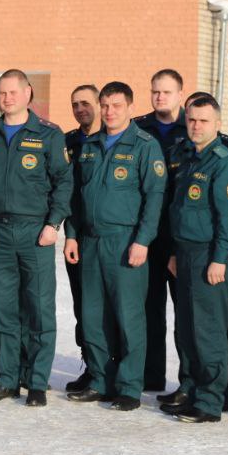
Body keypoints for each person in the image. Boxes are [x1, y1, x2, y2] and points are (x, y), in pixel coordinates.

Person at [0, 69, 70, 407]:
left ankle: (37, 381)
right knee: (5, 310)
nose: (7, 98)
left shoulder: (48, 135)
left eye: (14, 92)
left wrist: (53, 223)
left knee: (39, 309)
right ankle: (9, 379)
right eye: (2, 93)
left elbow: (63, 182)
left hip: (35, 232)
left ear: (28, 94)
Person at [63, 81, 165, 411]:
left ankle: (129, 386)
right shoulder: (89, 145)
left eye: (116, 105)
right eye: (105, 105)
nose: (109, 111)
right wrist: (72, 234)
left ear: (130, 108)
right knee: (92, 315)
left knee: (128, 316)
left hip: (125, 242)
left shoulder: (144, 145)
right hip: (91, 241)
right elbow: (75, 197)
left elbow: (154, 198)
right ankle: (99, 379)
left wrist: (142, 241)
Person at [156, 95, 228, 423]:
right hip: (185, 253)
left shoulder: (224, 162)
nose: (196, 126)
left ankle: (210, 400)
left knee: (208, 329)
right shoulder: (190, 157)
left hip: (210, 254)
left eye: (204, 121)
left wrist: (220, 259)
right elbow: (178, 210)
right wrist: (173, 252)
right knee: (187, 327)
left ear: (217, 124)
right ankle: (191, 387)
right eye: (192, 119)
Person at [135, 68, 187, 394]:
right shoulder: (140, 128)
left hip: (181, 234)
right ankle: (151, 376)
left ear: (180, 94)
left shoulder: (193, 126)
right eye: (155, 91)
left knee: (186, 315)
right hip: (148, 234)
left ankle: (188, 383)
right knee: (149, 309)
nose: (160, 97)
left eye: (166, 92)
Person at [62, 84, 102, 392]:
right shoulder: (69, 142)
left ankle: (113, 369)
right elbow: (67, 194)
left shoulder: (111, 140)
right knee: (83, 306)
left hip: (109, 238)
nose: (80, 109)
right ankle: (91, 364)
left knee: (111, 307)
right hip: (77, 237)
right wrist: (70, 234)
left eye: (86, 103)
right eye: (75, 105)